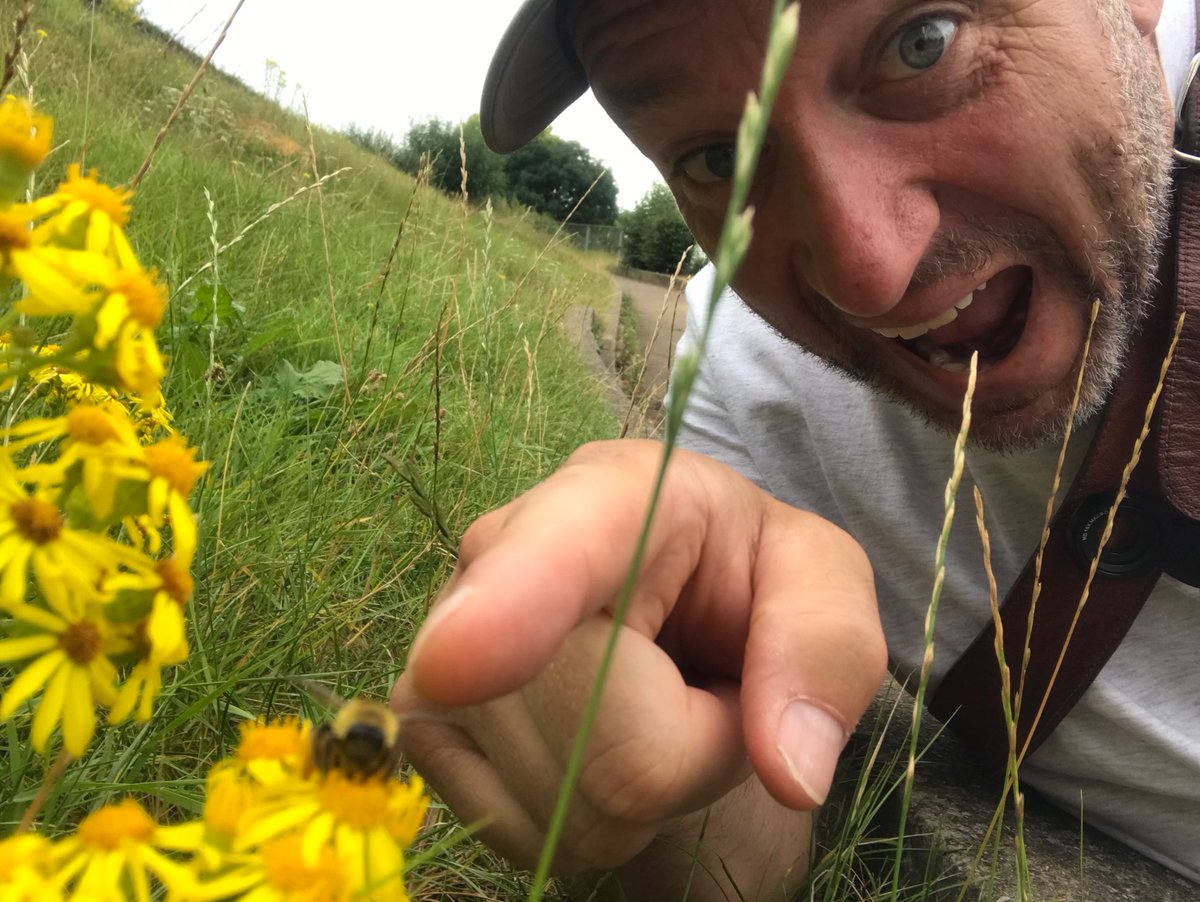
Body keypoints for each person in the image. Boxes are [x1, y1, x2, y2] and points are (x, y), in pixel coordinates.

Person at [390, 0, 1200, 898]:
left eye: (921, 46)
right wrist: (640, 732)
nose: (868, 273)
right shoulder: (748, 379)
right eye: (719, 160)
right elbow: (747, 863)